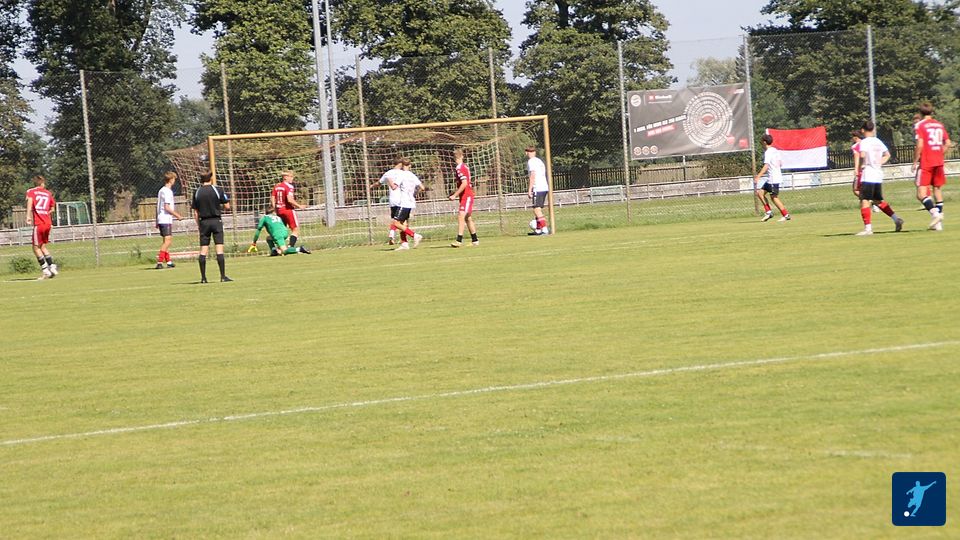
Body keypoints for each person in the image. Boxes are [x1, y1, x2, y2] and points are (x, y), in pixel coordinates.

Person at [856, 120, 903, 236]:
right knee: (877, 201)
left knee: (864, 200)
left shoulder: (864, 142)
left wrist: (860, 166)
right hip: (877, 174)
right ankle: (896, 219)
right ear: (873, 129)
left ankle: (868, 229)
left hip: (868, 174)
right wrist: (879, 162)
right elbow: (888, 154)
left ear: (862, 130)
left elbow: (862, 155)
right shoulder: (878, 141)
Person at [912, 102, 950, 230]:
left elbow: (920, 144)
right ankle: (938, 225)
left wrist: (915, 161)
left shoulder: (920, 125)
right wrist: (939, 153)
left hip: (927, 162)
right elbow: (948, 143)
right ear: (932, 112)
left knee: (921, 193)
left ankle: (935, 214)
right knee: (937, 190)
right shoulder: (939, 125)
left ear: (921, 113)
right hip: (938, 162)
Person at [191, 172, 232, 283]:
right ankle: (223, 276)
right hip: (216, 221)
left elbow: (196, 212)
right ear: (211, 178)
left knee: (203, 250)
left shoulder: (197, 192)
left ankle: (203, 278)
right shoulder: (218, 190)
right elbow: (227, 206)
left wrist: (199, 225)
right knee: (219, 249)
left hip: (203, 222)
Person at [25, 175, 58, 280]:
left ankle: (45, 270)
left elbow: (29, 203)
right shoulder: (48, 193)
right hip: (47, 223)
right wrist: (46, 212)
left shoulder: (31, 191)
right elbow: (52, 208)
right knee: (42, 246)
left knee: (35, 248)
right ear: (42, 183)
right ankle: (52, 266)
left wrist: (28, 216)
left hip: (39, 223)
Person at [754, 134, 791, 222]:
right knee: (760, 193)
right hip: (773, 177)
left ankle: (786, 215)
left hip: (773, 178)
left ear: (764, 142)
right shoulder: (775, 150)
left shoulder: (768, 152)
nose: (761, 143)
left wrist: (758, 176)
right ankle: (769, 212)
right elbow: (781, 163)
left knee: (774, 197)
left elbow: (766, 165)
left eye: (761, 141)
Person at [388, 157, 423, 250]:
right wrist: (414, 194)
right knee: (403, 223)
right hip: (411, 202)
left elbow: (394, 187)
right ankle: (404, 244)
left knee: (396, 223)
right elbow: (422, 187)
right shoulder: (412, 175)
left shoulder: (402, 175)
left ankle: (415, 235)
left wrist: (390, 180)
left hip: (404, 202)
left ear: (401, 165)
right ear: (410, 165)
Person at [448, 149, 479, 247]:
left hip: (467, 195)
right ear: (462, 156)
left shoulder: (459, 168)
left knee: (461, 216)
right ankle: (475, 240)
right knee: (468, 218)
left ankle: (459, 240)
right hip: (465, 195)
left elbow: (464, 183)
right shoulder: (464, 166)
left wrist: (455, 195)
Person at [370, 158, 403, 244]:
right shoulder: (403, 173)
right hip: (402, 199)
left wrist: (371, 186)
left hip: (393, 200)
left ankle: (392, 235)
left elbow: (379, 183)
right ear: (400, 164)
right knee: (402, 221)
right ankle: (404, 239)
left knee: (395, 219)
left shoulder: (388, 173)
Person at [155, 171, 183, 269]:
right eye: (174, 179)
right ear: (171, 180)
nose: (174, 181)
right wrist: (177, 215)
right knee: (167, 242)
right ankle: (159, 262)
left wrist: (157, 220)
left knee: (165, 241)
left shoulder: (161, 190)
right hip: (165, 219)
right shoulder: (167, 191)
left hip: (161, 218)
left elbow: (158, 206)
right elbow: (166, 207)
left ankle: (168, 261)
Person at [271, 170, 305, 248]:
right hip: (288, 210)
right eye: (291, 176)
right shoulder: (289, 186)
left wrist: (275, 208)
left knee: (282, 231)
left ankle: (279, 248)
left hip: (279, 211)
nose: (292, 178)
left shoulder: (277, 186)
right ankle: (290, 247)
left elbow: (272, 198)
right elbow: (289, 199)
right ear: (285, 177)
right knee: (295, 229)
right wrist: (299, 206)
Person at [526, 146, 549, 235]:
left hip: (538, 187)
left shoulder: (531, 161)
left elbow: (533, 175)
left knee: (536, 210)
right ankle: (538, 230)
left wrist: (529, 189)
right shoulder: (539, 161)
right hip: (544, 187)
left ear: (526, 152)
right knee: (537, 208)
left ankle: (544, 229)